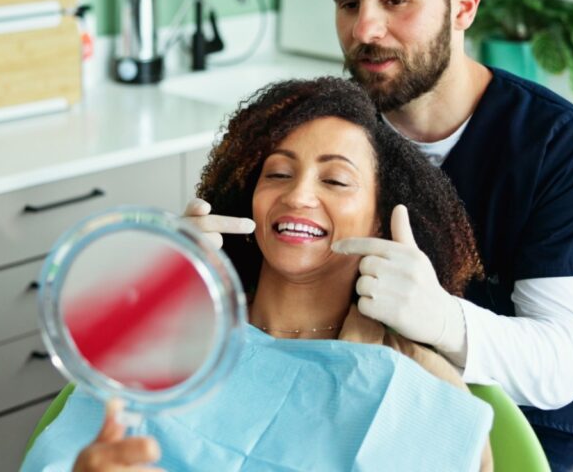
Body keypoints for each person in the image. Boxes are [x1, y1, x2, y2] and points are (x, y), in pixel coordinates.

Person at [187, 0, 573, 471]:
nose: (365, 30)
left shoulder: (557, 147)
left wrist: (440, 319)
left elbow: (559, 367)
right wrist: (181, 274)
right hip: (346, 404)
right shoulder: (326, 130)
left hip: (531, 429)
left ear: (463, 5)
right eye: (349, 3)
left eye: (395, 1)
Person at [29, 77, 492, 472]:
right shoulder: (168, 336)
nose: (298, 196)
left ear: (380, 218)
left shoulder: (408, 379)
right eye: (278, 174)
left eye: (334, 180)